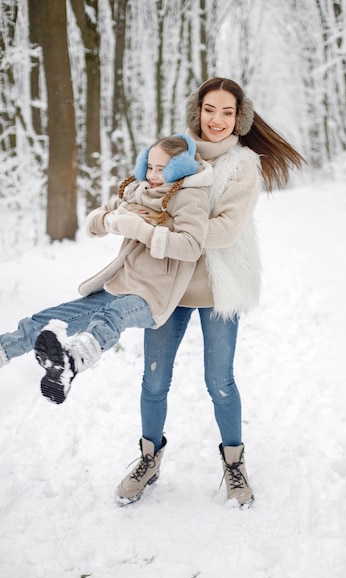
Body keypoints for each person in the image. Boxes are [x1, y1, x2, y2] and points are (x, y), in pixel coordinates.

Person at [115, 77, 305, 509]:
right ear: (196, 112)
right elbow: (142, 194)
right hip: (167, 284)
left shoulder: (242, 165)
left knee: (219, 382)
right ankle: (149, 459)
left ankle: (233, 464)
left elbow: (223, 231)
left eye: (227, 112)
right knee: (154, 379)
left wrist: (161, 228)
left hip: (220, 287)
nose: (217, 120)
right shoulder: (176, 152)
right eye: (210, 110)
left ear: (240, 118)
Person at [0, 135, 212, 404]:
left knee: (113, 315)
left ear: (180, 167)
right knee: (58, 316)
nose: (154, 175)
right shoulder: (139, 190)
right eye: (150, 167)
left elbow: (192, 246)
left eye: (162, 169)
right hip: (121, 283)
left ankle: (74, 360)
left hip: (152, 295)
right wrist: (110, 221)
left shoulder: (190, 198)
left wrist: (143, 231)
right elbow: (96, 220)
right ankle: (4, 348)